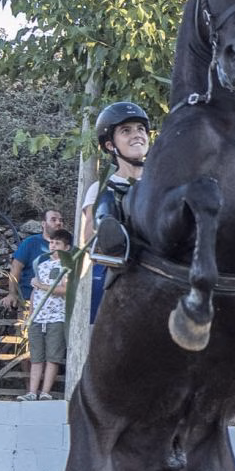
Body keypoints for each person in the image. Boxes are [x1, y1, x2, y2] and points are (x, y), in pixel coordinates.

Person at [83, 101, 150, 321]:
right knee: (106, 201)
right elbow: (88, 240)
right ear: (111, 145)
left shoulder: (163, 182)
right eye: (126, 130)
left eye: (141, 129)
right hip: (120, 271)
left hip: (162, 269)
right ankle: (112, 229)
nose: (137, 135)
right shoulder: (102, 188)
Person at [19, 228, 73, 400]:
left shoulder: (68, 265)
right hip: (38, 317)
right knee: (36, 356)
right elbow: (35, 292)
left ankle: (45, 392)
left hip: (56, 316)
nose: (53, 246)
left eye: (58, 243)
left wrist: (42, 286)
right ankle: (32, 392)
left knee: (53, 356)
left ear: (67, 247)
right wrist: (31, 312)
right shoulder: (41, 264)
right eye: (51, 242)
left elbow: (65, 290)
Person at [2, 209, 65, 312]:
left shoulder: (68, 245)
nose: (58, 223)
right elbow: (15, 268)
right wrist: (12, 293)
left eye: (61, 220)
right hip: (30, 301)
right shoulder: (31, 243)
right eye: (53, 220)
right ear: (43, 224)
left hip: (60, 303)